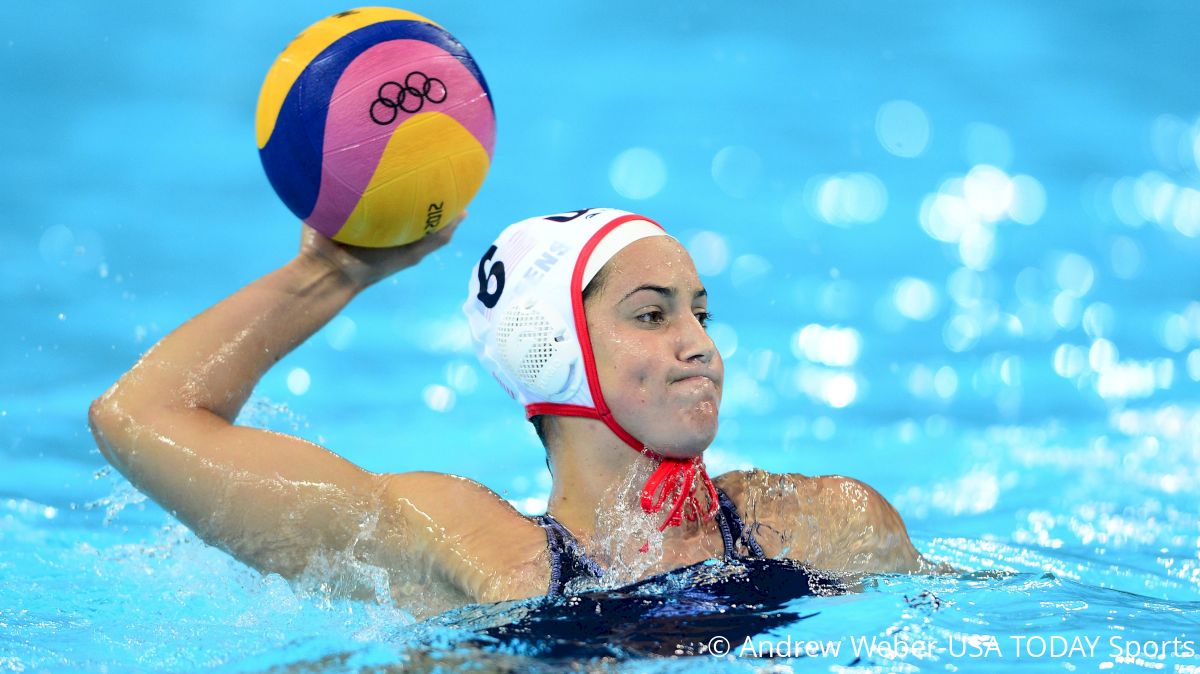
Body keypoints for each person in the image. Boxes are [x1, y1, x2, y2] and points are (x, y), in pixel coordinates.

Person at [88, 207, 942, 619]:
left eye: (701, 313)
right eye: (653, 315)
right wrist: (332, 274)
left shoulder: (823, 525)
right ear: (555, 352)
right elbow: (141, 416)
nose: (700, 346)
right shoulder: (471, 549)